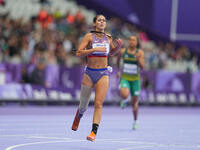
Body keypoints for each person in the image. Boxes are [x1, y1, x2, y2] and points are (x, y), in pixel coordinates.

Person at [71, 14, 123, 142]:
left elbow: (111, 53)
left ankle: (93, 132)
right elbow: (78, 53)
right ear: (95, 23)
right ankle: (79, 115)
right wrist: (93, 49)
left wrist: (118, 47)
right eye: (99, 20)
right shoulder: (89, 37)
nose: (102, 22)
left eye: (104, 20)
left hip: (103, 74)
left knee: (98, 104)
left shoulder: (108, 37)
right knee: (83, 105)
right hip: (89, 73)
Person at [116, 35, 144, 130]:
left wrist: (138, 59)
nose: (131, 42)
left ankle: (135, 121)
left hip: (135, 80)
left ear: (137, 42)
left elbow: (143, 67)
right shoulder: (123, 51)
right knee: (124, 94)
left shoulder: (139, 53)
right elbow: (118, 59)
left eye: (133, 40)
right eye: (130, 40)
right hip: (125, 78)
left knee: (134, 103)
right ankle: (124, 99)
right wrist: (119, 70)